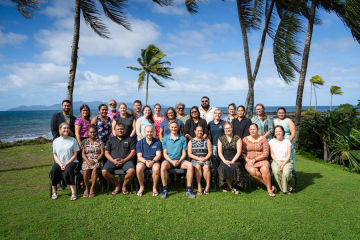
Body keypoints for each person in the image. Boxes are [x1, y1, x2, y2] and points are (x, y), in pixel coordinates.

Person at [160, 121, 195, 199]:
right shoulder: (165, 139)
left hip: (180, 160)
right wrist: (172, 161)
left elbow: (184, 154)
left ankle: (189, 189)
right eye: (172, 127)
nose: (174, 129)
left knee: (190, 165)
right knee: (163, 166)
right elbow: (165, 154)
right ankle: (165, 189)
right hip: (169, 161)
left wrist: (179, 161)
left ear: (178, 127)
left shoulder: (182, 138)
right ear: (169, 128)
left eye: (175, 127)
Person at [242, 123, 276, 197]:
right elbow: (242, 152)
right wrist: (247, 159)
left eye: (254, 129)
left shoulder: (263, 139)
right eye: (251, 129)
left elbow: (266, 153)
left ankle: (269, 190)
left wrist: (255, 159)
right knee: (252, 171)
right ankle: (268, 186)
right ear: (249, 130)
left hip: (262, 160)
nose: (252, 131)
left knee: (264, 169)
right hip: (249, 160)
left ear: (257, 130)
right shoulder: (245, 139)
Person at [102, 123, 136, 195]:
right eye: (118, 129)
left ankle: (124, 185)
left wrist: (124, 160)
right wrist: (113, 161)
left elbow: (133, 152)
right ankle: (117, 185)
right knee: (104, 172)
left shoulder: (130, 139)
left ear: (124, 130)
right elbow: (106, 153)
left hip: (126, 160)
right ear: (114, 130)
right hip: (113, 161)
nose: (120, 131)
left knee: (131, 171)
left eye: (122, 129)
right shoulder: (110, 140)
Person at [49, 122, 79, 200]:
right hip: (59, 162)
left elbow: (75, 154)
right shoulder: (55, 141)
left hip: (72, 162)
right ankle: (54, 192)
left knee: (68, 170)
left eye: (68, 128)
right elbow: (54, 154)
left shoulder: (73, 140)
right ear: (60, 129)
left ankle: (73, 192)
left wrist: (66, 164)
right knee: (53, 171)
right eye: (64, 128)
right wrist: (60, 164)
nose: (66, 129)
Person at [217, 122, 244, 194]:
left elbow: (239, 152)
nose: (228, 130)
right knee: (224, 167)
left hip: (235, 159)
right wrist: (224, 161)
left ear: (232, 128)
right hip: (224, 159)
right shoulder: (221, 139)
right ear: (224, 129)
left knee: (234, 167)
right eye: (226, 128)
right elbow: (219, 152)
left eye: (229, 128)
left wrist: (232, 161)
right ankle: (230, 187)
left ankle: (234, 185)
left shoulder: (237, 138)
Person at [136, 125, 162, 197]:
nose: (149, 133)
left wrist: (153, 161)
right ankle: (141, 187)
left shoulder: (157, 142)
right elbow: (139, 157)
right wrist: (146, 162)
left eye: (151, 132)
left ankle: (154, 187)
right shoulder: (139, 142)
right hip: (144, 161)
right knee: (138, 168)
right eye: (148, 132)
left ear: (153, 132)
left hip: (154, 160)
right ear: (144, 132)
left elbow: (158, 155)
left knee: (156, 168)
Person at [81, 125, 104, 198]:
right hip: (87, 160)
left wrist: (95, 160)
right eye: (91, 132)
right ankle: (86, 188)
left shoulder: (100, 141)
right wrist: (87, 161)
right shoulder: (84, 141)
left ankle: (92, 188)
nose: (93, 134)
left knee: (95, 169)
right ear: (87, 133)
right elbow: (83, 153)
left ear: (96, 132)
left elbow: (102, 153)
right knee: (86, 170)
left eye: (94, 132)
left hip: (97, 160)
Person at [188, 125, 212, 195]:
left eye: (201, 130)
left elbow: (210, 152)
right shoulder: (191, 141)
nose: (200, 132)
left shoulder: (207, 140)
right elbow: (189, 154)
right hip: (195, 159)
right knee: (197, 166)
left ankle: (207, 186)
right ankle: (199, 185)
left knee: (206, 167)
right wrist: (198, 159)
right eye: (198, 131)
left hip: (205, 158)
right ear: (195, 131)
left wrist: (204, 158)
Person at [269, 125, 293, 194]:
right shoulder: (271, 141)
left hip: (287, 161)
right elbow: (272, 155)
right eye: (276, 131)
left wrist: (283, 163)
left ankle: (284, 189)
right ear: (274, 133)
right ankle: (285, 188)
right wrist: (279, 163)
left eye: (280, 131)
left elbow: (289, 155)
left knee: (286, 173)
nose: (278, 133)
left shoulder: (287, 141)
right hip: (276, 161)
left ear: (283, 132)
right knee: (276, 171)